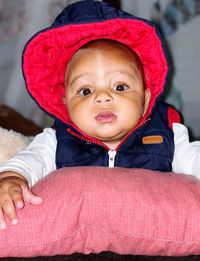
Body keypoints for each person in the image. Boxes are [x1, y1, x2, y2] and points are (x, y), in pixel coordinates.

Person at [0, 0, 199, 230]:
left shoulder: (167, 135)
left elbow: (194, 158)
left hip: (151, 228)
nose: (102, 98)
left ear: (145, 100)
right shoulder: (56, 141)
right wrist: (12, 177)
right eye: (86, 91)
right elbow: (30, 160)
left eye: (120, 87)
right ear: (67, 104)